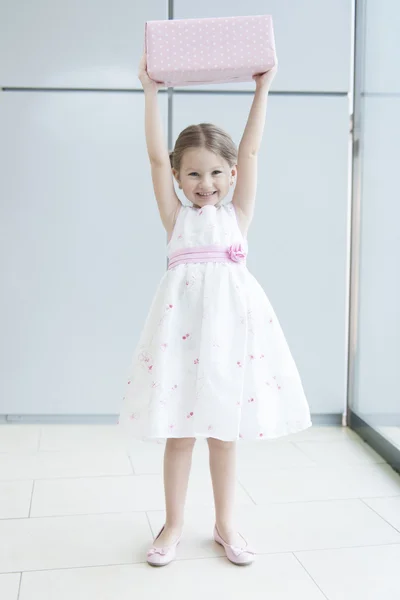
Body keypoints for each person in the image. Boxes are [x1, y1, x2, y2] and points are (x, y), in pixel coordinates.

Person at [117, 53, 312, 567]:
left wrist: (262, 89)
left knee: (224, 433)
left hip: (231, 331)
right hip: (181, 328)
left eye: (216, 173)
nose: (206, 183)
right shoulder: (175, 216)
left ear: (229, 174)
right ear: (179, 177)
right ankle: (174, 524)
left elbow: (251, 151)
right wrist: (150, 92)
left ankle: (226, 524)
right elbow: (155, 159)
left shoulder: (237, 214)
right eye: (194, 174)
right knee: (180, 434)